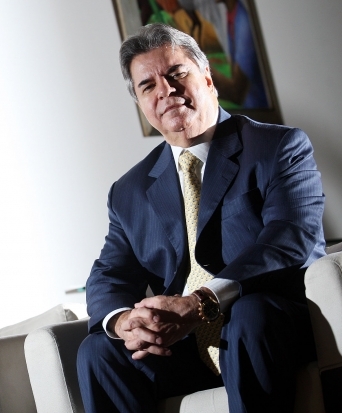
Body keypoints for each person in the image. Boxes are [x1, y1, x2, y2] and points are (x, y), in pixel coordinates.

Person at [76, 23, 325, 413]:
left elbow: (289, 238)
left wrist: (201, 302)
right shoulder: (129, 191)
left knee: (250, 314)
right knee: (98, 351)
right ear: (141, 103)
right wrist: (123, 321)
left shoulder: (279, 146)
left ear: (207, 78)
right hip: (186, 348)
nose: (166, 90)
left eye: (177, 74)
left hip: (268, 325)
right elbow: (110, 273)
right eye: (148, 86)